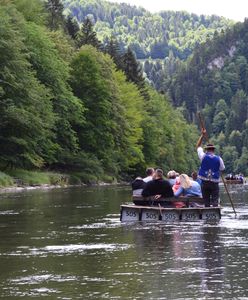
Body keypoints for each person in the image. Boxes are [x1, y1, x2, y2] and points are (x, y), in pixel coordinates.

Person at [196, 128, 225, 207]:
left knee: (206, 201)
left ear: (206, 150)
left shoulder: (202, 156)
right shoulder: (219, 158)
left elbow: (198, 146)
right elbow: (222, 169)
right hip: (214, 183)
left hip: (205, 183)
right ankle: (215, 212)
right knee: (215, 200)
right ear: (213, 150)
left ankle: (207, 212)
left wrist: (202, 135)